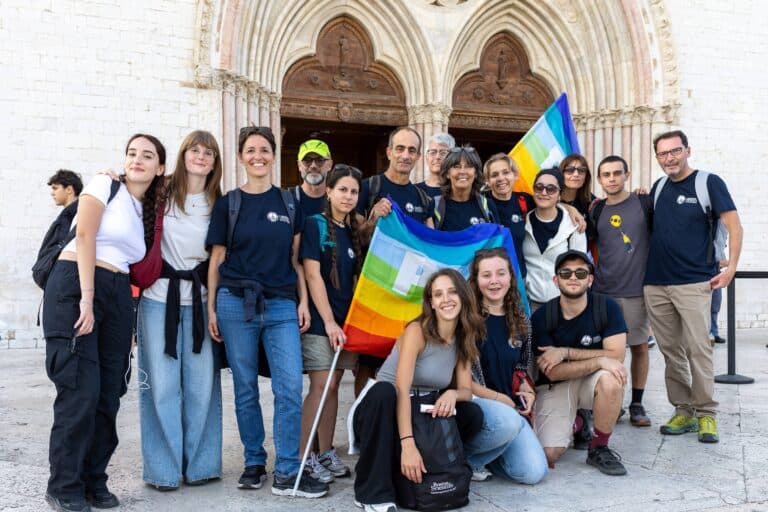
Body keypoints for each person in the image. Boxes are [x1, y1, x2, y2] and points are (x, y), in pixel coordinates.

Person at [43, 134, 165, 512]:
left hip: (117, 293)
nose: (137, 160)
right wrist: (88, 296)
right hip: (77, 284)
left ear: (160, 167)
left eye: (148, 156)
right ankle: (64, 484)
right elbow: (84, 235)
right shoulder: (104, 184)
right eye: (132, 153)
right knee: (79, 391)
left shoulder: (144, 208)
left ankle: (94, 479)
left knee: (108, 394)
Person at [206, 126, 328, 497]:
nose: (258, 156)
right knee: (245, 387)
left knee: (289, 386)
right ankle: (254, 461)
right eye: (250, 150)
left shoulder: (288, 203)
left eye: (264, 150)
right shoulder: (229, 203)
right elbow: (216, 260)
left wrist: (303, 301)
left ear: (274, 156)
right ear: (241, 156)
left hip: (280, 305)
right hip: (234, 302)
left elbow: (296, 259)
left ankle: (288, 469)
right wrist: (211, 308)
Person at [349, 268, 484, 512]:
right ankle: (370, 491)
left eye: (452, 292)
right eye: (438, 294)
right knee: (385, 393)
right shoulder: (417, 332)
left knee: (471, 413)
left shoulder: (465, 336)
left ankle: (443, 466)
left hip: (421, 411)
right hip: (383, 411)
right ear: (431, 303)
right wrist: (408, 445)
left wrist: (453, 393)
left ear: (463, 296)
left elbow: (465, 389)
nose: (446, 299)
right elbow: (401, 390)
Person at [136, 130, 223, 491]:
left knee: (203, 386)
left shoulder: (221, 201)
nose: (200, 157)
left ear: (215, 161)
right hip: (159, 298)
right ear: (183, 154)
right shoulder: (161, 192)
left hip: (201, 301)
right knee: (161, 386)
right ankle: (163, 470)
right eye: (194, 150)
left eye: (208, 152)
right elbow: (128, 191)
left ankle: (201, 466)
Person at [644, 130, 742, 443]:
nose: (669, 158)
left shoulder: (708, 183)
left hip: (695, 282)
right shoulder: (658, 188)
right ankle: (683, 410)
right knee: (671, 352)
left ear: (688, 150)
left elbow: (734, 225)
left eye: (675, 151)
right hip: (656, 283)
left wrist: (732, 268)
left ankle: (707, 415)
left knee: (699, 350)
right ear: (657, 157)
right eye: (663, 154)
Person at [531, 250, 629, 476]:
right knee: (549, 454)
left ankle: (599, 447)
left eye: (580, 272)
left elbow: (616, 356)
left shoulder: (607, 307)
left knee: (612, 380)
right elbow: (553, 373)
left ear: (590, 279)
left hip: (592, 381)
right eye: (565, 273)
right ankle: (578, 422)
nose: (573, 277)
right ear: (556, 280)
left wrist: (565, 351)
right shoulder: (543, 316)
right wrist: (601, 358)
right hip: (557, 384)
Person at [354, 126, 435, 395]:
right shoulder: (368, 188)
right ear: (389, 152)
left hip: (411, 294)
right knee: (368, 364)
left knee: (406, 359)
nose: (405, 155)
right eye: (399, 148)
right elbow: (358, 238)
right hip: (376, 291)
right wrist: (375, 215)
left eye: (411, 150)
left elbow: (432, 247)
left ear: (418, 156)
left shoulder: (423, 198)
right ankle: (363, 425)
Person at [299, 164, 363, 483]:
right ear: (329, 191)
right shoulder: (315, 224)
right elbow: (312, 274)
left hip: (344, 322)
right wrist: (328, 322)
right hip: (321, 322)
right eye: (342, 190)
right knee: (321, 386)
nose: (348, 196)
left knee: (335, 386)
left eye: (353, 191)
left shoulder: (350, 230)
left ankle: (325, 452)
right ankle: (304, 458)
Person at [464, 248, 548, 484]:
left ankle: (489, 456)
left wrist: (527, 391)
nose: (494, 281)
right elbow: (459, 381)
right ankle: (467, 458)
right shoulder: (466, 321)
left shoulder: (521, 320)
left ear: (511, 277)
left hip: (510, 409)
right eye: (486, 275)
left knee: (532, 473)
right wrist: (501, 400)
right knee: (508, 422)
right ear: (476, 280)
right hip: (476, 406)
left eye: (501, 273)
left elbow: (521, 368)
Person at [591, 155, 652, 427]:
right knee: (609, 352)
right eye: (606, 174)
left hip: (636, 289)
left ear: (627, 175)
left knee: (638, 346)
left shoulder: (643, 203)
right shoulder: (596, 209)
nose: (612, 178)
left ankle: (637, 403)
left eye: (617, 173)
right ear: (600, 179)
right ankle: (611, 403)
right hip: (604, 291)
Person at [484, 155, 584, 279]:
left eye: (506, 172)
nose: (501, 178)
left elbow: (546, 200)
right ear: (487, 180)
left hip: (519, 278)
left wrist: (571, 209)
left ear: (515, 175)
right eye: (494, 175)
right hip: (490, 278)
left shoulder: (524, 200)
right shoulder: (481, 204)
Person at [523, 169, 587, 310]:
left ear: (560, 194)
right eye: (539, 187)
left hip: (563, 304)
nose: (544, 192)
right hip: (529, 305)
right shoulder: (523, 222)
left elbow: (581, 269)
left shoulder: (574, 225)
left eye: (551, 189)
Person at [433, 145, 500, 231]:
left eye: (468, 166)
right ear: (447, 173)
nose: (462, 171)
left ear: (476, 173)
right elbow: (428, 241)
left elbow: (498, 240)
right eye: (457, 166)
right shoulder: (435, 206)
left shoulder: (487, 206)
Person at [289, 139, 334, 216]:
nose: (313, 166)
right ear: (299, 165)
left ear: (330, 164)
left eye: (320, 160)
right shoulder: (287, 199)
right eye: (307, 160)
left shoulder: (337, 199)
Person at [558, 154, 597, 230]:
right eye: (570, 170)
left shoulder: (592, 203)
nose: (576, 174)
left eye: (581, 170)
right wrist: (566, 207)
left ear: (586, 176)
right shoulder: (548, 196)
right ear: (561, 174)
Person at [416, 133, 455, 199]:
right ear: (426, 157)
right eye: (433, 152)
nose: (437, 157)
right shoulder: (415, 190)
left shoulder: (457, 190)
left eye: (443, 153)